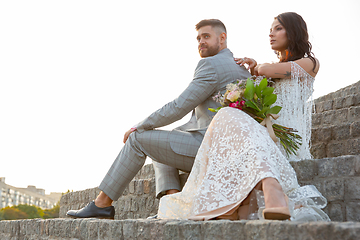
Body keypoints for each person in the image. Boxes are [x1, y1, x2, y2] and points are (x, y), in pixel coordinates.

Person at [66, 19, 251, 219]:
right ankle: (173, 202)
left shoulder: (211, 65)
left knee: (139, 139)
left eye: (206, 36)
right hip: (227, 149)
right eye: (198, 38)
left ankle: (101, 204)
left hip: (210, 150)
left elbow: (179, 106)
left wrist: (139, 125)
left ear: (222, 38)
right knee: (160, 141)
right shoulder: (241, 67)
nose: (200, 42)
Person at [157, 12, 330, 221]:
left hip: (285, 139)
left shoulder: (310, 63)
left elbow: (267, 69)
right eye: (270, 30)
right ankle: (265, 191)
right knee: (227, 114)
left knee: (229, 117)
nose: (271, 34)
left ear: (293, 31)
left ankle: (258, 193)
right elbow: (265, 74)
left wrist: (256, 67)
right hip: (265, 133)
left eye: (278, 28)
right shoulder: (270, 69)